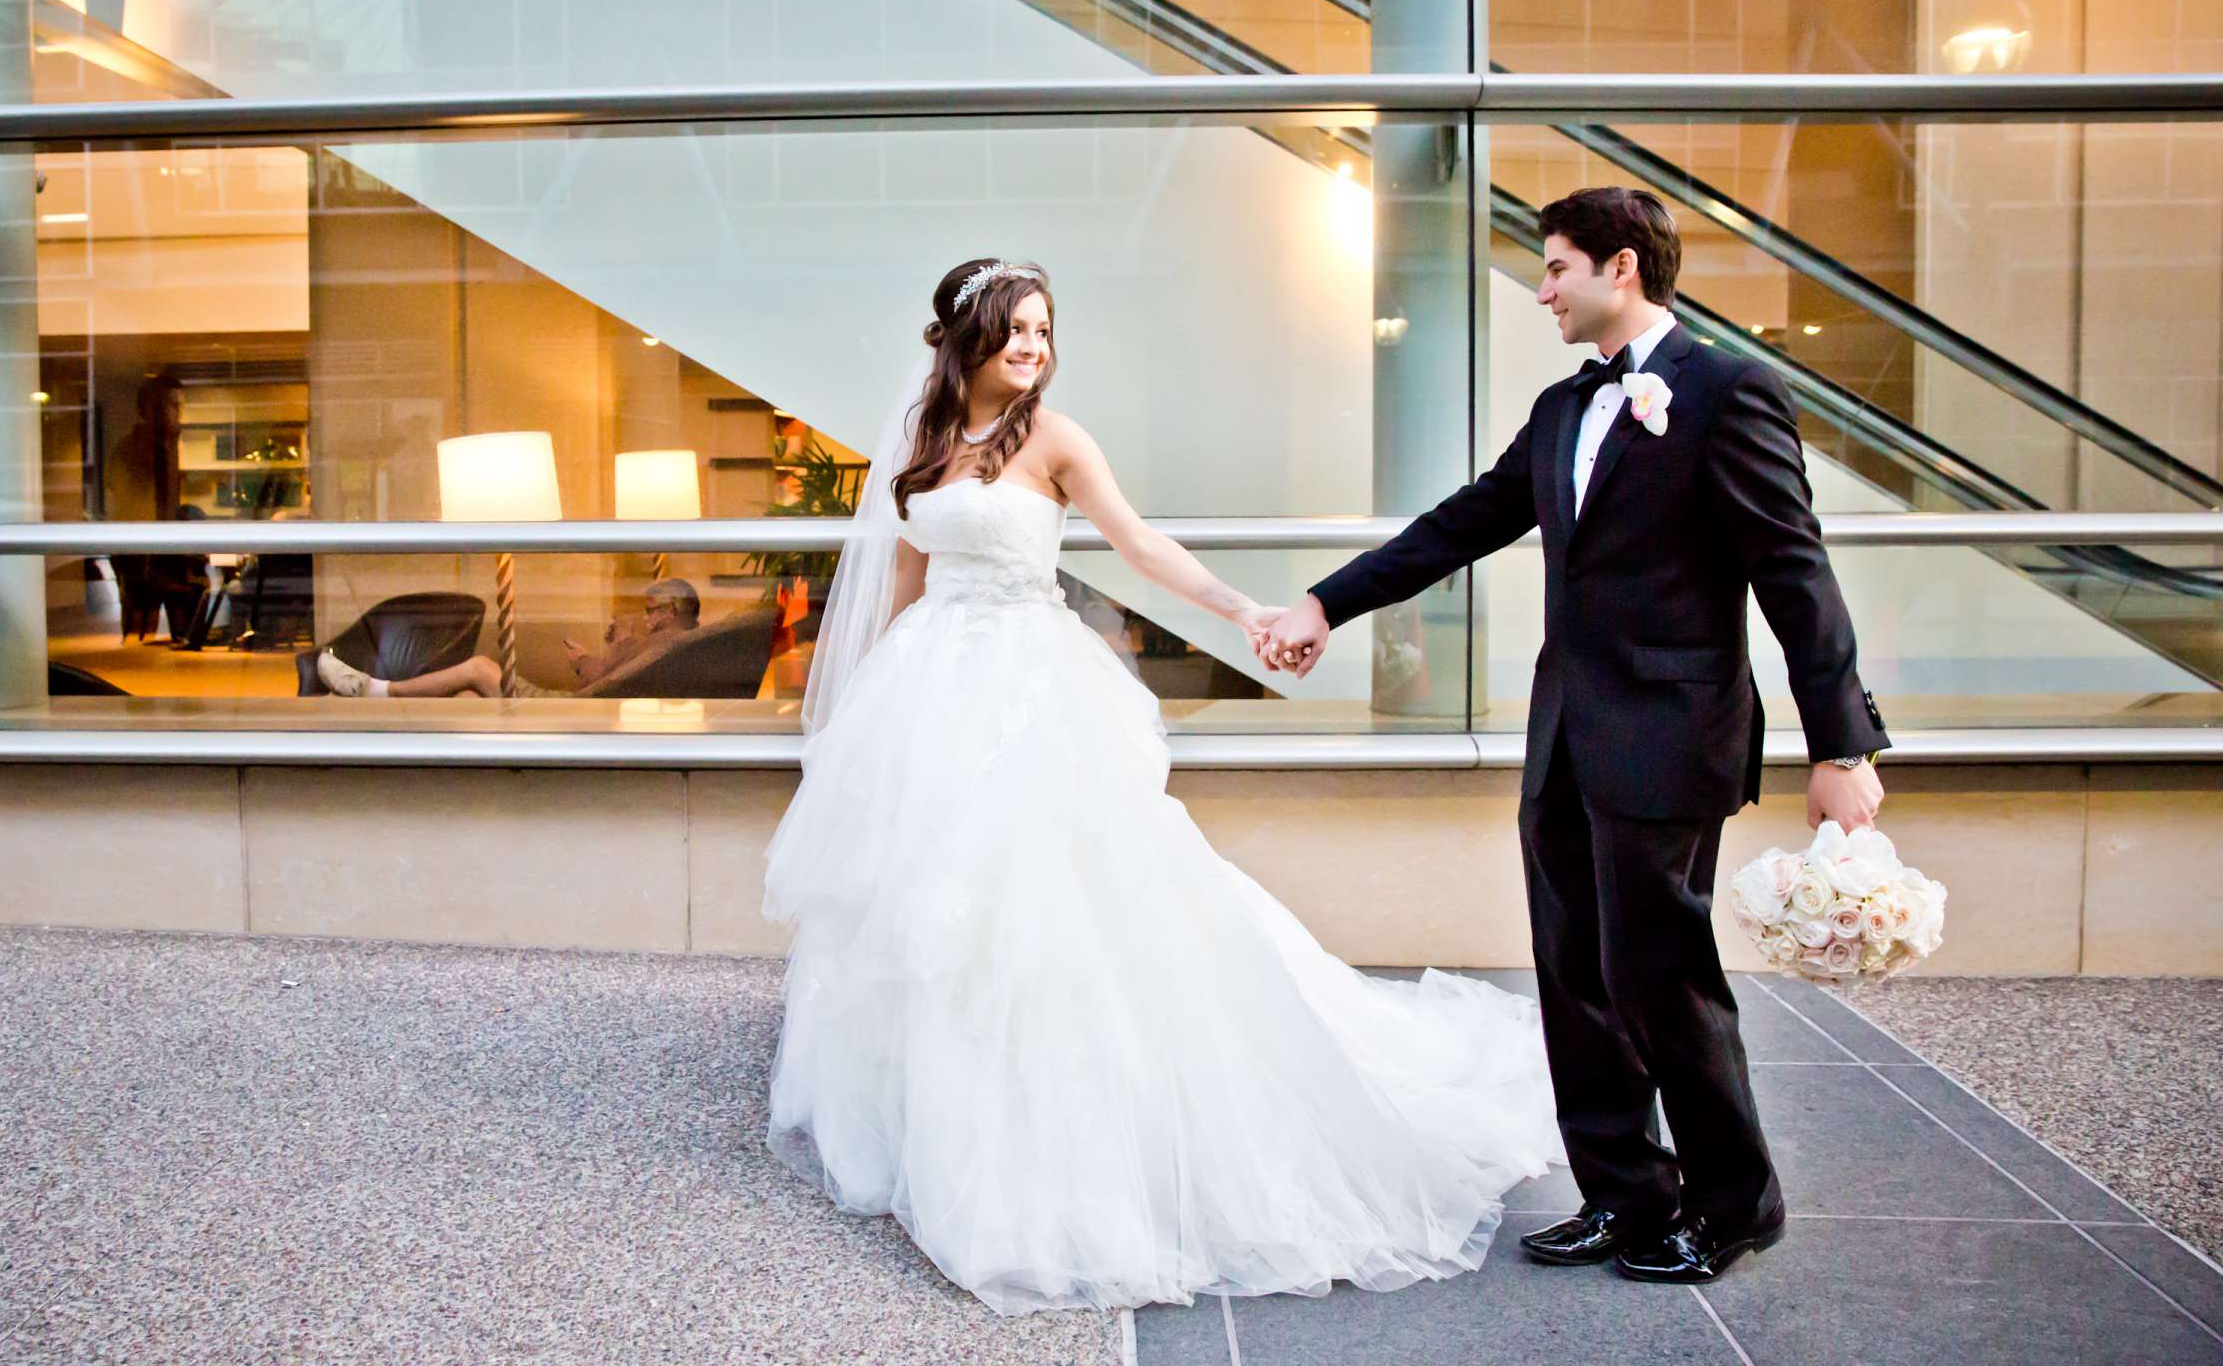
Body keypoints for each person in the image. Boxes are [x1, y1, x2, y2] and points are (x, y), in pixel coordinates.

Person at [762, 257, 1563, 1317]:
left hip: (1030, 687)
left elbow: (1139, 545)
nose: (1035, 349)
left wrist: (1245, 612)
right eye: (1016, 331)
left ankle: (1060, 1126)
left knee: (1054, 901)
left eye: (1046, 331)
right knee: (933, 908)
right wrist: (859, 722)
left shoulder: (1053, 439)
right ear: (967, 337)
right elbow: (903, 586)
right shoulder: (917, 446)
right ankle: (938, 1114)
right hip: (931, 694)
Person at [1260, 188, 1891, 1285]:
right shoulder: (1563, 409)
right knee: (1572, 972)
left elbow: (1798, 573)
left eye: (1556, 267)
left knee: (1662, 974)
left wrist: (1842, 748)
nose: (1542, 289)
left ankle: (1737, 1203)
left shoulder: (1730, 391)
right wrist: (1327, 602)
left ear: (1623, 270)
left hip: (1673, 732)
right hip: (1564, 737)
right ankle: (1626, 1193)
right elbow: (1462, 522)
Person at [314, 578, 701, 698]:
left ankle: (378, 692)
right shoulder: (675, 644)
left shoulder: (664, 644)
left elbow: (603, 680)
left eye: (651, 610)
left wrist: (584, 659)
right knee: (467, 699)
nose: (646, 616)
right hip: (583, 706)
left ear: (670, 611)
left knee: (481, 668)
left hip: (571, 711)